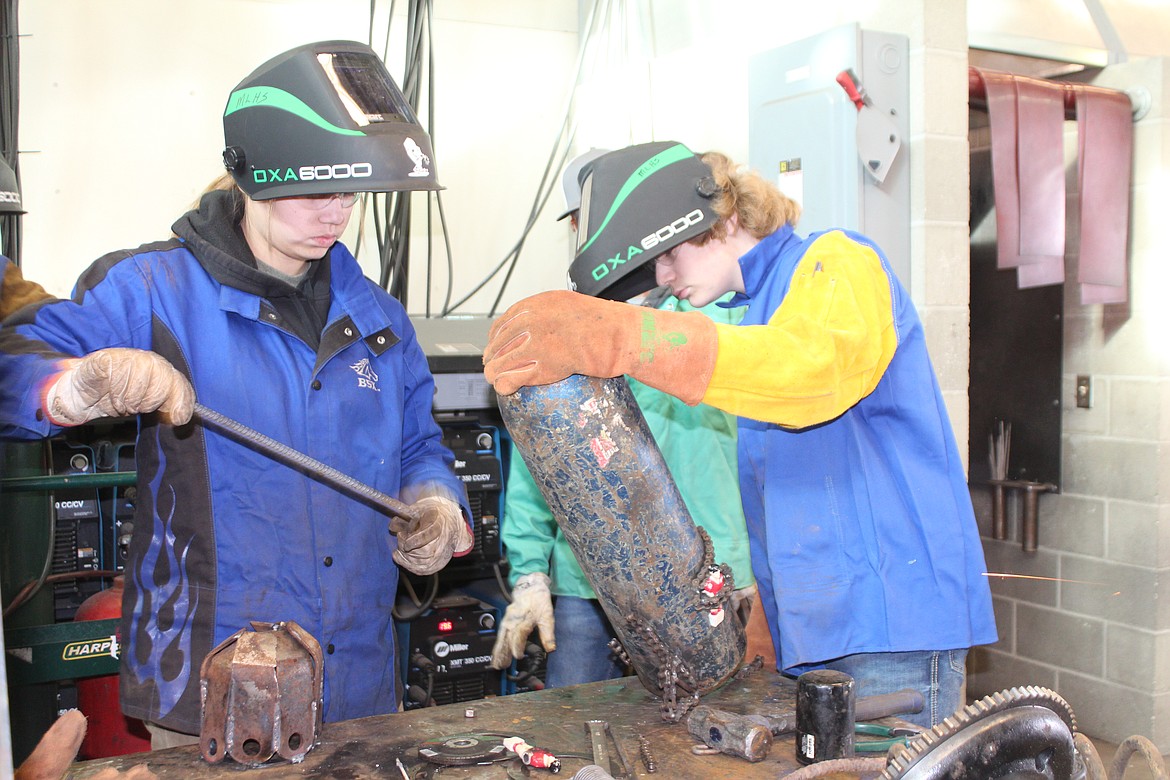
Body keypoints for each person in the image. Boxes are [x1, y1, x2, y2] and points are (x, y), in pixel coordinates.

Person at [0, 41, 473, 746]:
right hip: (210, 685)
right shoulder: (152, 293)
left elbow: (416, 446)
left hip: (357, 683)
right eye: (315, 191)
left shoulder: (379, 317)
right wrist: (73, 390)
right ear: (253, 176)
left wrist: (438, 500)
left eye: (348, 193)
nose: (335, 213)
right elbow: (14, 360)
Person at [482, 141, 997, 728]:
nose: (664, 278)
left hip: (891, 628)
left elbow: (809, 371)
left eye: (669, 254)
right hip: (816, 632)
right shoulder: (753, 316)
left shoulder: (838, 261)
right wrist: (766, 620)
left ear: (723, 219)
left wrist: (629, 336)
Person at [490, 149, 756, 686]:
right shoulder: (565, 336)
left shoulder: (716, 317)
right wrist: (529, 576)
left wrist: (745, 569)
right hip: (589, 588)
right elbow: (535, 472)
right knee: (580, 736)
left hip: (704, 578)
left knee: (703, 741)